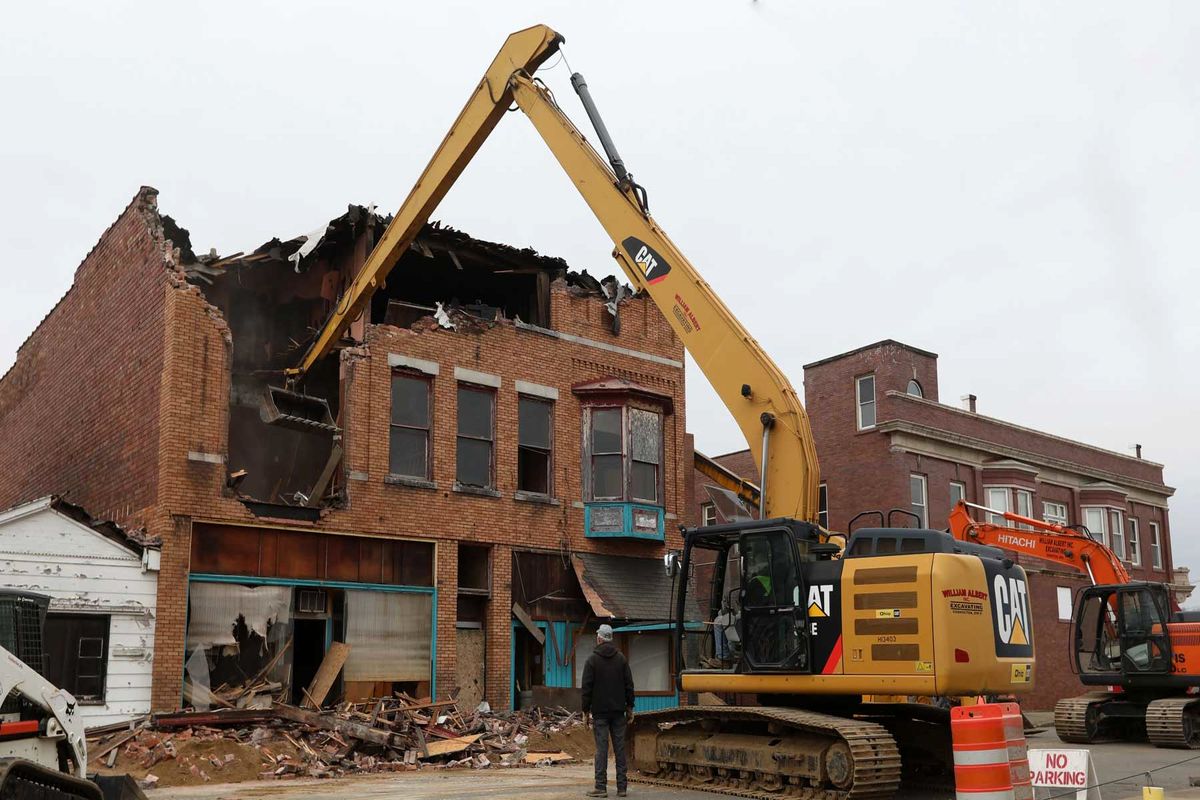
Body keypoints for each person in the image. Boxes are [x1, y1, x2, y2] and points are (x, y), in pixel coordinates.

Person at [581, 623, 635, 797]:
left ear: (599, 638)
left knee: (601, 750)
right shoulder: (621, 659)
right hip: (619, 713)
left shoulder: (592, 660)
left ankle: (600, 787)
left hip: (600, 714)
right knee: (620, 750)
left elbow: (586, 688)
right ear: (611, 638)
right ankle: (622, 788)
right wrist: (630, 707)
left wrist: (585, 711)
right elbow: (629, 685)